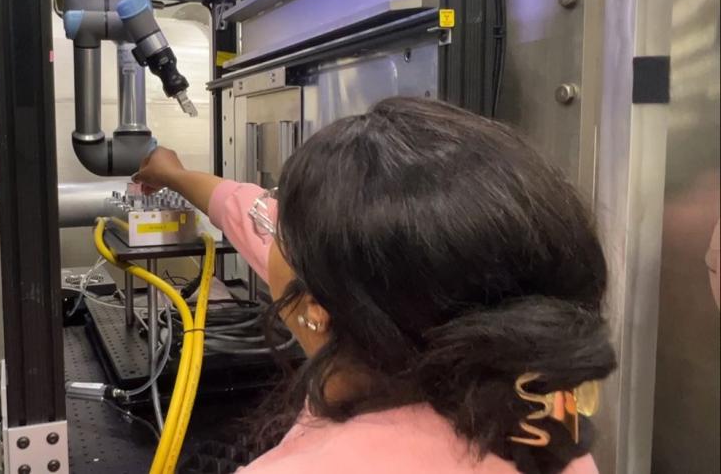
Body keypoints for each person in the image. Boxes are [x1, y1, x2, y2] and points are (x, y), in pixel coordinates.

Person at [133, 97, 616, 474]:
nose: (269, 218)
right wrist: (175, 176)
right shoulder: (536, 412)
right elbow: (247, 210)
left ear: (318, 304)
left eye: (284, 221)